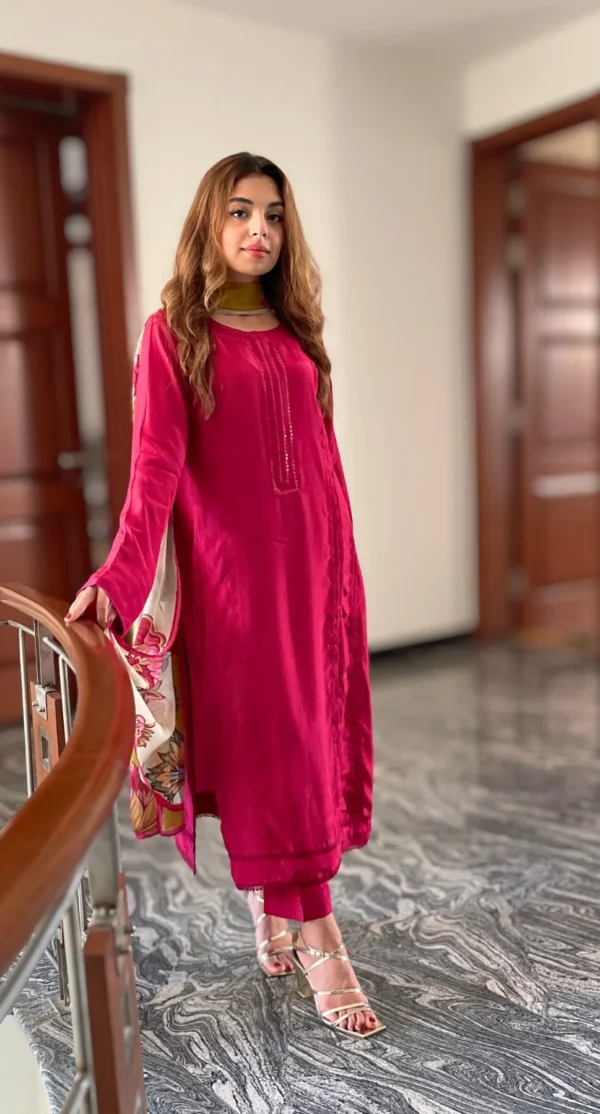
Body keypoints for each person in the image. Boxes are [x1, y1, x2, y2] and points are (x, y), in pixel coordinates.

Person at [67, 153, 384, 1038]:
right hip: (236, 583)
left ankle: (276, 905)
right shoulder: (174, 333)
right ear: (210, 221)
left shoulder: (296, 331)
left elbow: (321, 462)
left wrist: (342, 572)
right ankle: (321, 936)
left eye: (274, 215)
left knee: (307, 742)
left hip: (315, 572)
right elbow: (154, 469)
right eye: (241, 211)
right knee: (274, 747)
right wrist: (119, 575)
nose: (259, 230)